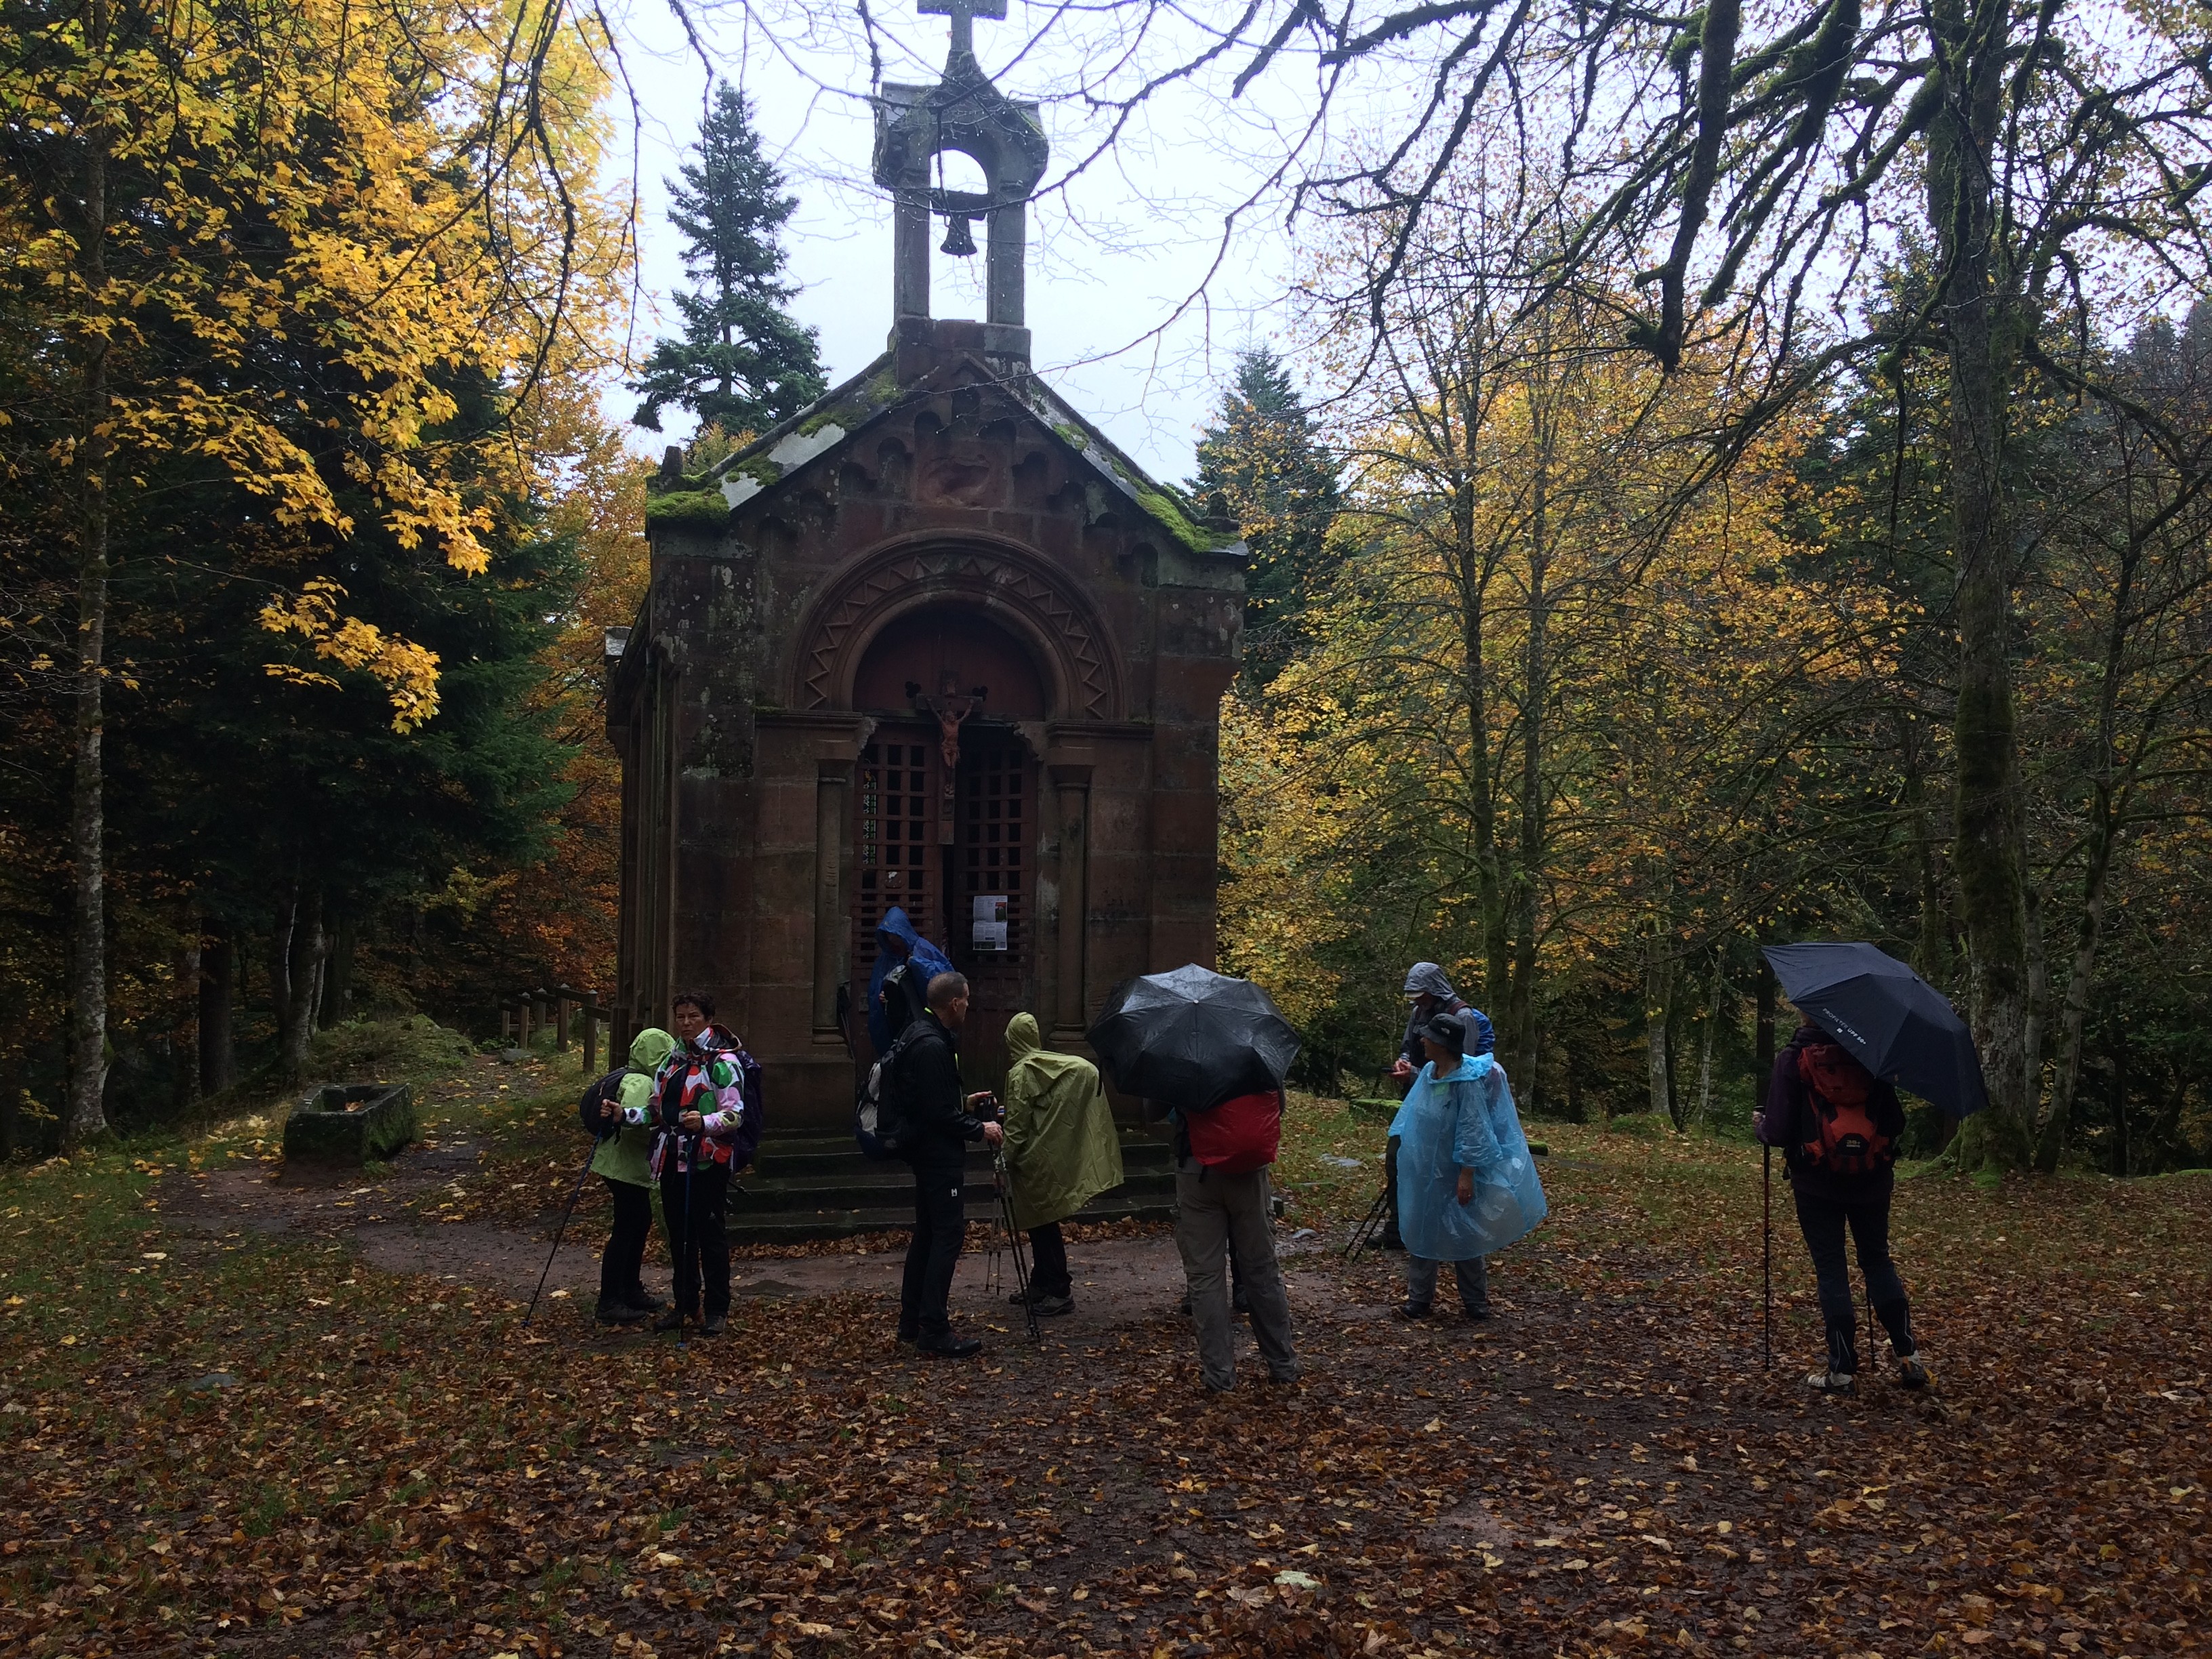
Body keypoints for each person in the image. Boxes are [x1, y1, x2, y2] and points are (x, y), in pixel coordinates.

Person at [1758, 1014, 1927, 1395]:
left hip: (1815, 1182)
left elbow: (1778, 1130)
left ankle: (1842, 1371)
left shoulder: (1793, 1058)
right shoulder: (1872, 1056)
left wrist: (1760, 1125)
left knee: (1831, 1268)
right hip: (1872, 1180)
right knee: (1877, 1259)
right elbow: (1895, 1123)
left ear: (1806, 1013)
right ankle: (1908, 1356)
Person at [1389, 1010, 1545, 1320]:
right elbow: (1413, 1115)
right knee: (1422, 1229)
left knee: (1466, 1234)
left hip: (1457, 1171)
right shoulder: (1433, 1072)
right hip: (1426, 1170)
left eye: (1428, 1037)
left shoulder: (1467, 1082)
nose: (1422, 1040)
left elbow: (1474, 1131)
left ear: (1442, 1044)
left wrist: (1466, 1175)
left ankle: (1475, 1302)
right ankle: (1419, 1300)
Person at [896, 971, 1002, 1357]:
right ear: (955, 1003)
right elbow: (936, 1114)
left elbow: (932, 1103)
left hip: (928, 1153)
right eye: (968, 999)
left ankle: (912, 1321)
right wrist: (980, 1128)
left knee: (927, 1235)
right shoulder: (931, 1046)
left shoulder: (920, 1034)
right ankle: (934, 1329)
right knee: (946, 1236)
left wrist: (966, 1105)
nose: (969, 1006)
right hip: (938, 1158)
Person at [1171, 1089, 1298, 1393]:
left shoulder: (1180, 1053)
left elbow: (1152, 1113)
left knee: (1205, 1278)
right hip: (1249, 1172)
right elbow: (1278, 1106)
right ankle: (1283, 1364)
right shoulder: (1258, 1048)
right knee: (1261, 1269)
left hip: (1195, 1169)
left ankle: (1219, 1375)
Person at [650, 991, 760, 1338]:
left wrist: (707, 1123)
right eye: (680, 1017)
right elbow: (657, 1110)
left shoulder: (724, 1061)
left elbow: (735, 1114)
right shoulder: (672, 1060)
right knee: (680, 1237)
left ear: (707, 1019)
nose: (685, 1023)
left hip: (708, 1160)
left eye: (692, 1016)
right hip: (671, 1157)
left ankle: (717, 1309)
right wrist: (624, 1114)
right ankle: (685, 1304)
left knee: (710, 1235)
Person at [999, 1012, 1124, 1317]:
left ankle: (1057, 1289)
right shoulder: (1048, 1065)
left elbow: (1017, 1127)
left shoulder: (1022, 1072)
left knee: (1043, 1228)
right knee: (1043, 1225)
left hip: (1031, 1163)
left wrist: (1003, 1161)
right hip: (1043, 1160)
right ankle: (1042, 1283)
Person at [1380, 964, 1490, 1252]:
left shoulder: (1462, 1016)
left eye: (1422, 995)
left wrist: (1415, 1074)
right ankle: (1400, 1225)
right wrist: (1404, 1062)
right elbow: (1409, 1045)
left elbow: (1459, 1068)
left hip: (1449, 1107)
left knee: (1442, 1169)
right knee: (1400, 1155)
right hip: (1419, 1098)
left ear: (1434, 990)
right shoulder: (1418, 1013)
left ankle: (1448, 1232)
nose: (1418, 1002)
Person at [585, 1025, 678, 1325]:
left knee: (637, 1224)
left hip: (621, 1164)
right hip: (624, 1165)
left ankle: (629, 1290)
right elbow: (632, 1119)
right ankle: (611, 1300)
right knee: (627, 1229)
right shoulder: (640, 1082)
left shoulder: (628, 1074)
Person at [868, 906, 954, 1056]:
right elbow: (877, 989)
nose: (892, 940)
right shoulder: (886, 959)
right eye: (888, 936)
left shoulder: (923, 950)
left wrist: (917, 964)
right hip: (898, 1020)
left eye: (895, 936)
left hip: (923, 1015)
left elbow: (946, 979)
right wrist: (883, 996)